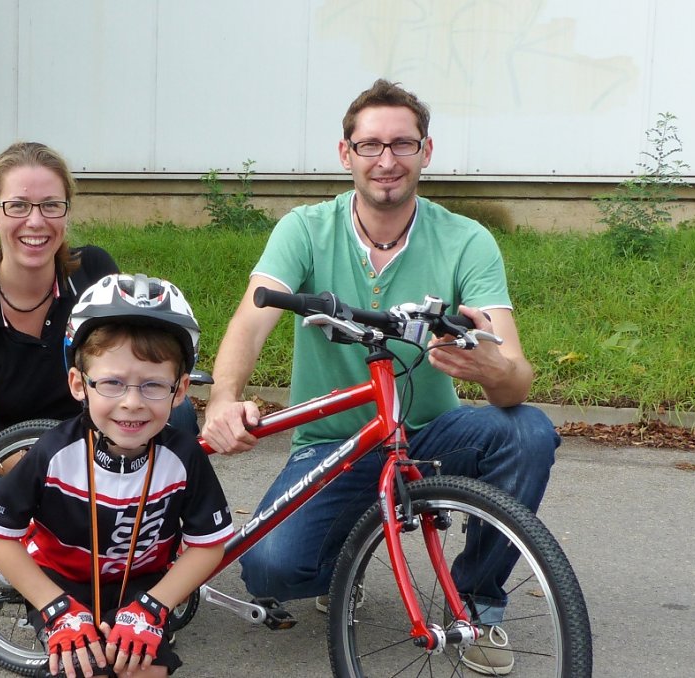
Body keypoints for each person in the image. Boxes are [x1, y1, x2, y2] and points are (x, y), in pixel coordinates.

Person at [201, 79, 559, 676]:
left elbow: (515, 380)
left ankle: (476, 606)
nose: (386, 160)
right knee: (269, 569)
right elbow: (252, 318)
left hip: (429, 434)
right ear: (346, 153)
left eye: (402, 144)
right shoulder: (306, 229)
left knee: (526, 431)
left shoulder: (466, 239)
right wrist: (224, 397)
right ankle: (348, 559)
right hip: (332, 444)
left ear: (426, 151)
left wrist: (495, 369)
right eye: (370, 145)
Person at [0, 273, 234, 678]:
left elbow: (208, 546)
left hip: (143, 587)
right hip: (61, 585)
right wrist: (56, 608)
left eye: (153, 385)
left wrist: (154, 607)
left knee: (145, 671)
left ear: (180, 390)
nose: (132, 402)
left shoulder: (184, 458)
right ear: (79, 384)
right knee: (85, 670)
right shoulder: (54, 453)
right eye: (112, 383)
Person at [0, 141, 197, 465]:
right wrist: (63, 477)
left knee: (178, 411)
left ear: (67, 211)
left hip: (104, 449)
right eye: (18, 206)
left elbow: (136, 366)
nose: (35, 221)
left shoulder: (95, 273)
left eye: (50, 205)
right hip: (17, 466)